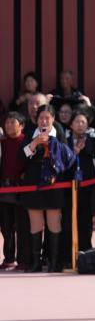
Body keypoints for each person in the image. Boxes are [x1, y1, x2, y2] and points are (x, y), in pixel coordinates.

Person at [20, 105, 76, 272]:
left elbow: (67, 158)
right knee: (35, 223)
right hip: (33, 182)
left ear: (53, 119)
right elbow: (21, 156)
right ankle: (36, 262)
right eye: (41, 118)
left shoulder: (58, 134)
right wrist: (35, 143)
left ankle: (53, 261)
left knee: (54, 223)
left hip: (54, 183)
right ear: (36, 119)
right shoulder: (31, 133)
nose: (44, 121)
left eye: (47, 118)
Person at [65, 111, 95, 258]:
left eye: (83, 122)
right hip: (69, 185)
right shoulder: (65, 140)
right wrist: (75, 151)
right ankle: (69, 255)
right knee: (69, 220)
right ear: (71, 124)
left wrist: (84, 147)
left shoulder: (92, 139)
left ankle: (85, 252)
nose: (80, 125)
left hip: (87, 184)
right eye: (77, 122)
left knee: (85, 219)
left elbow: (94, 153)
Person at [0, 112, 31, 270]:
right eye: (7, 122)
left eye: (13, 122)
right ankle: (8, 258)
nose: (9, 125)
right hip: (4, 189)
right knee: (6, 227)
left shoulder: (27, 141)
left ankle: (23, 259)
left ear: (22, 125)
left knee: (22, 226)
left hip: (22, 188)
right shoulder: (2, 143)